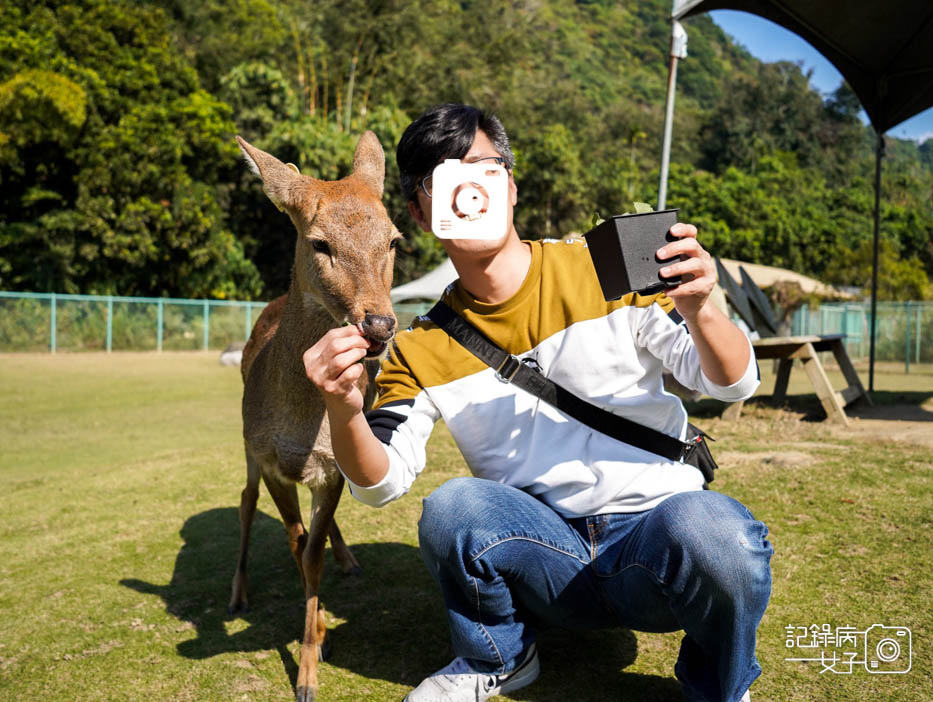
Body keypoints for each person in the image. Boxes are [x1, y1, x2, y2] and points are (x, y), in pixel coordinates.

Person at [303, 103, 772, 702]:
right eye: (443, 180)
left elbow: (733, 383)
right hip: (545, 562)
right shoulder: (418, 346)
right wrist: (343, 407)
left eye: (484, 168)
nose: (469, 188)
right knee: (453, 508)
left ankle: (718, 685)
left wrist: (702, 308)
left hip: (656, 540)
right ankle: (499, 656)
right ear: (420, 214)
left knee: (717, 535)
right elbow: (379, 484)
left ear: (511, 185)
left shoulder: (609, 261)